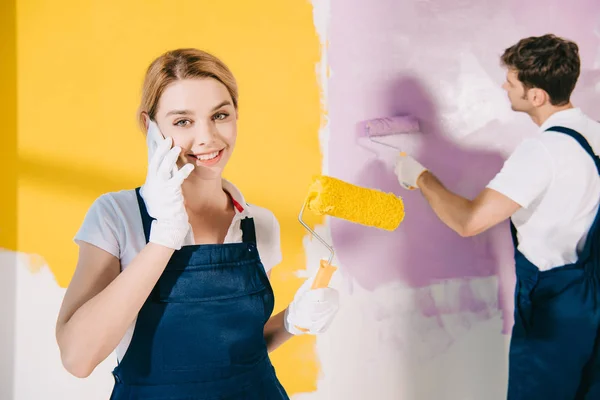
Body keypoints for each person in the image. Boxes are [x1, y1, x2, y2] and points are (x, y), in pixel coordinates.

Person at [55, 48, 340, 399]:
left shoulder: (257, 223)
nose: (207, 138)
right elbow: (77, 359)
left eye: (220, 115)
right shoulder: (117, 214)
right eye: (183, 121)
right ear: (150, 127)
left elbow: (235, 355)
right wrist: (164, 236)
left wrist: (292, 322)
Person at [394, 34, 600, 399]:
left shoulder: (542, 151)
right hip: (592, 297)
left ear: (536, 96)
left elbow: (469, 221)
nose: (504, 86)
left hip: (555, 308)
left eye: (513, 81)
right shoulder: (595, 134)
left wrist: (421, 178)